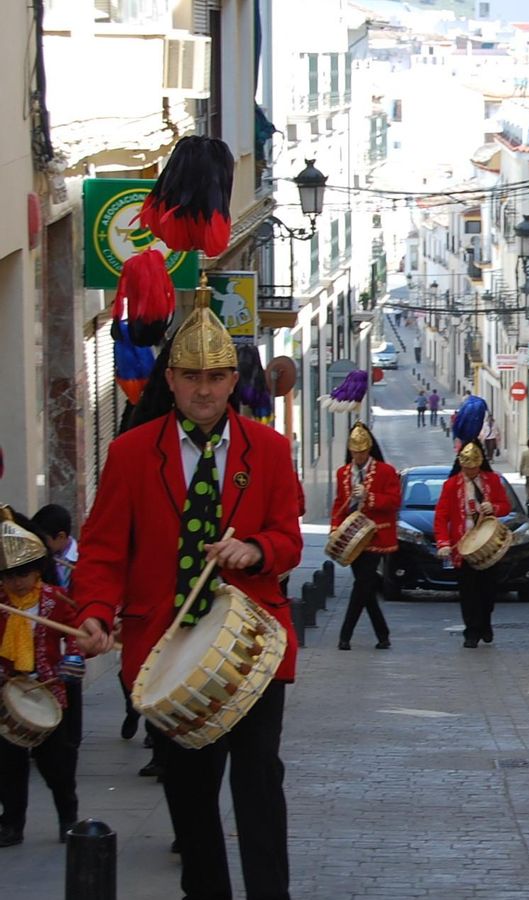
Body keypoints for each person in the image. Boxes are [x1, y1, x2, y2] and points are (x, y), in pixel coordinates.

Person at [73, 304, 303, 900]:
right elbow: (101, 550)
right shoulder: (130, 453)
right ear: (170, 380)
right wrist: (95, 612)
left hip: (252, 647)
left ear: (233, 381)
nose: (204, 390)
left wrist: (255, 549)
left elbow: (289, 538)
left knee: (258, 782)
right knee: (190, 793)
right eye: (192, 377)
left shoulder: (270, 450)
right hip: (167, 654)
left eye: (216, 377)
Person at [0, 508, 82, 847]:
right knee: (8, 767)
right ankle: (12, 823)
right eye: (9, 575)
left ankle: (68, 816)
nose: (17, 581)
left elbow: (77, 631)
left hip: (50, 693)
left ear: (37, 571)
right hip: (8, 694)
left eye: (24, 573)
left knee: (56, 766)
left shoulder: (53, 599)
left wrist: (75, 656)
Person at [434, 439, 511, 649]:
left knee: (488, 591)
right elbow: (441, 516)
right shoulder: (451, 486)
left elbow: (506, 506)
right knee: (468, 592)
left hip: (487, 543)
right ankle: (471, 631)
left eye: (474, 468)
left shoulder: (493, 481)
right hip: (463, 545)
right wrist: (443, 542)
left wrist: (493, 507)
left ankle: (485, 622)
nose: (471, 472)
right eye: (467, 468)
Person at [331, 422, 399, 651]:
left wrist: (369, 497)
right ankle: (383, 634)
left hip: (375, 536)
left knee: (361, 584)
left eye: (361, 452)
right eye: (354, 452)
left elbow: (393, 501)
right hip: (351, 537)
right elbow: (339, 503)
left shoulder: (386, 471)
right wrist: (335, 529)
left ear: (368, 449)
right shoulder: (343, 473)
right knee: (366, 588)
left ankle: (345, 635)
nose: (358, 456)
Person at [31, 504, 77, 590]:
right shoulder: (39, 560)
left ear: (61, 536)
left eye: (43, 540)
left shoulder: (84, 558)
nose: (39, 544)